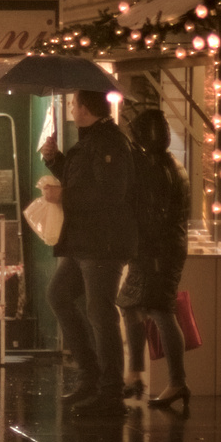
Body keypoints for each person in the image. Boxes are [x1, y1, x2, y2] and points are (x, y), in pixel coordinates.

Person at [41, 89, 137, 418]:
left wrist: (63, 196)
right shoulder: (91, 141)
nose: (70, 108)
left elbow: (109, 193)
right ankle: (90, 375)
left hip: (103, 243)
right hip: (83, 241)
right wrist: (55, 161)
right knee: (59, 295)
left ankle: (109, 389)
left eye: (73, 103)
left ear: (85, 108)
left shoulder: (110, 142)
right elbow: (83, 181)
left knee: (100, 312)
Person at [118, 110, 191, 410]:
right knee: (131, 304)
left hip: (157, 249)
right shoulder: (171, 165)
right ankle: (136, 374)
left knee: (161, 310)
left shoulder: (157, 169)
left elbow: (151, 213)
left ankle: (176, 382)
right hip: (164, 247)